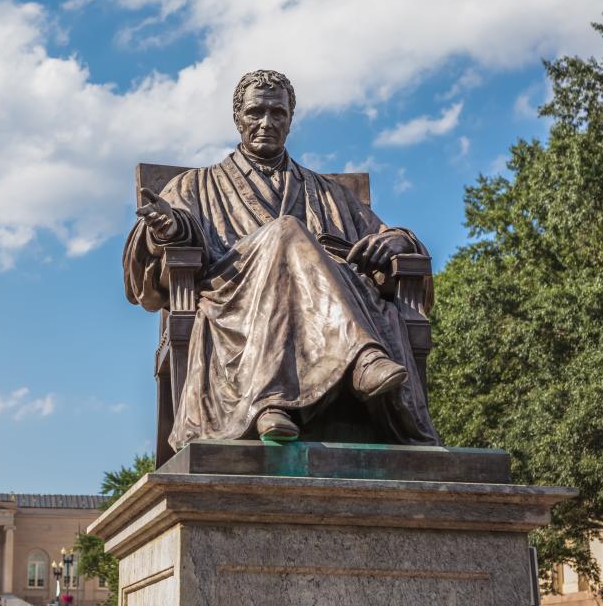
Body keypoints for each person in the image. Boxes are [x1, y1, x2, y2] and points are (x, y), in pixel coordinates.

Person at [124, 69, 440, 449]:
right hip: (238, 298)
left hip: (328, 301)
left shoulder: (328, 192)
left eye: (278, 113)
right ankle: (362, 358)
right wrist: (167, 228)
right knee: (287, 229)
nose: (267, 123)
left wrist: (398, 241)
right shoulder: (196, 185)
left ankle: (271, 405)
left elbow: (384, 231)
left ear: (291, 120)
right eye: (256, 113)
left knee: (289, 232)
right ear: (237, 117)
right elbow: (152, 265)